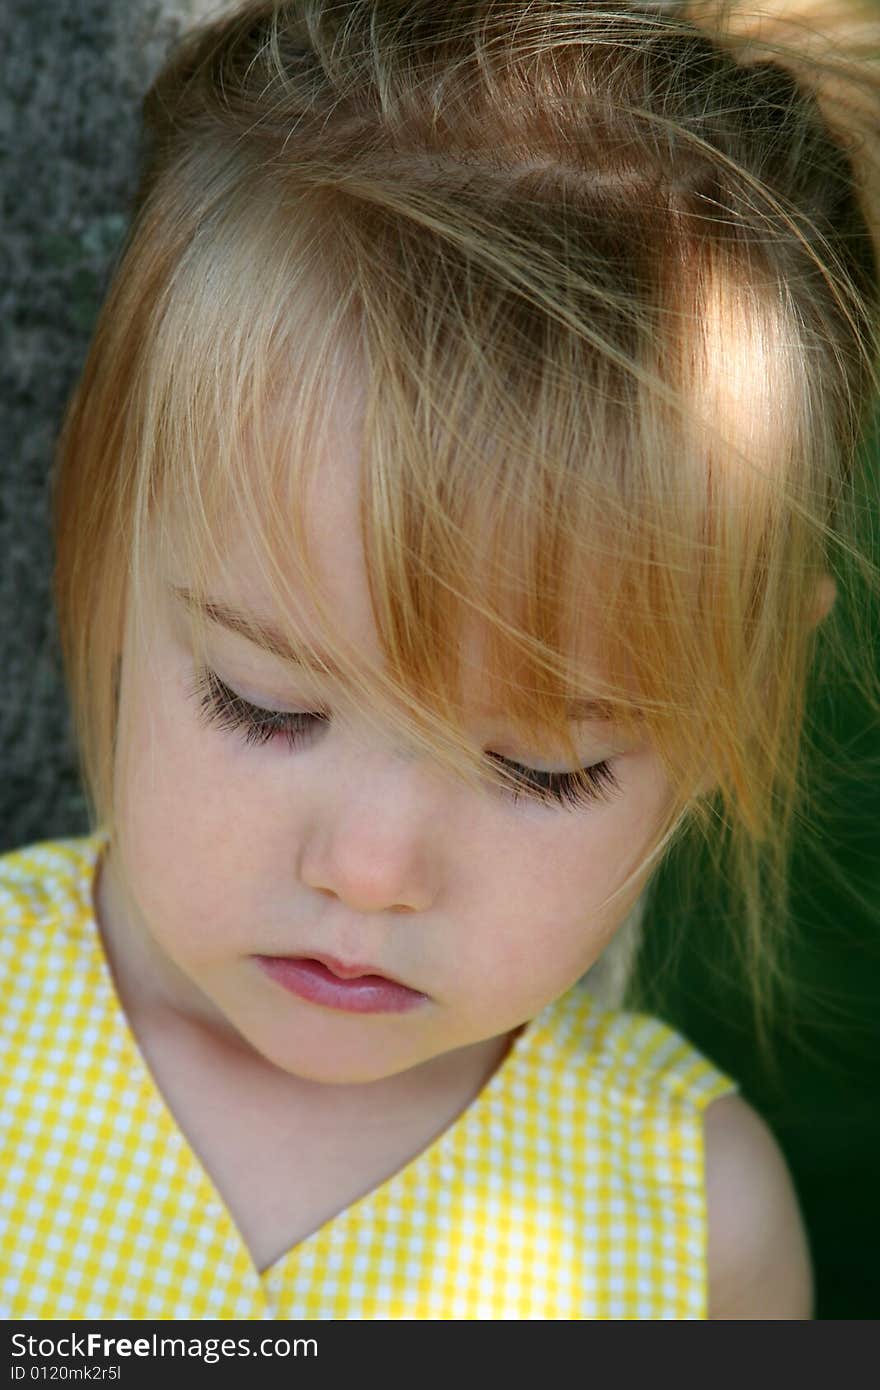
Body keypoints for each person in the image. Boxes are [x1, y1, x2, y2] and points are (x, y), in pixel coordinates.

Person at [1, 0, 878, 1320]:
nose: (368, 870)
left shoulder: (697, 1225)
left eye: (544, 766)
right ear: (111, 543)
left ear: (736, 693)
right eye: (266, 702)